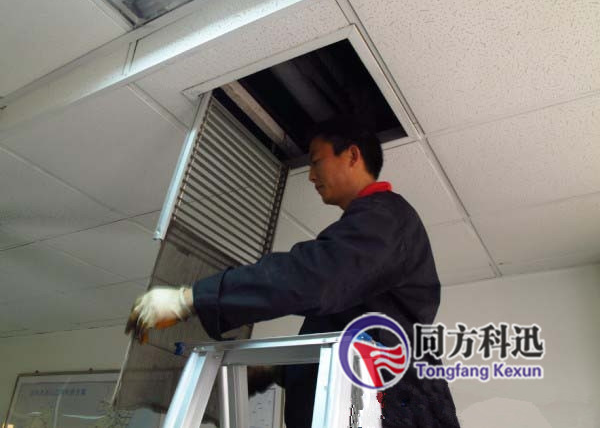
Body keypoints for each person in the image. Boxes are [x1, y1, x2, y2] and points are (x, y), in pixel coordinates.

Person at [126, 118, 460, 427]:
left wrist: (190, 299)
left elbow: (312, 278)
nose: (311, 175)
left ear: (352, 155)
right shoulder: (370, 236)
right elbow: (347, 327)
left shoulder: (386, 219)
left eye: (316, 161)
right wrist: (280, 370)